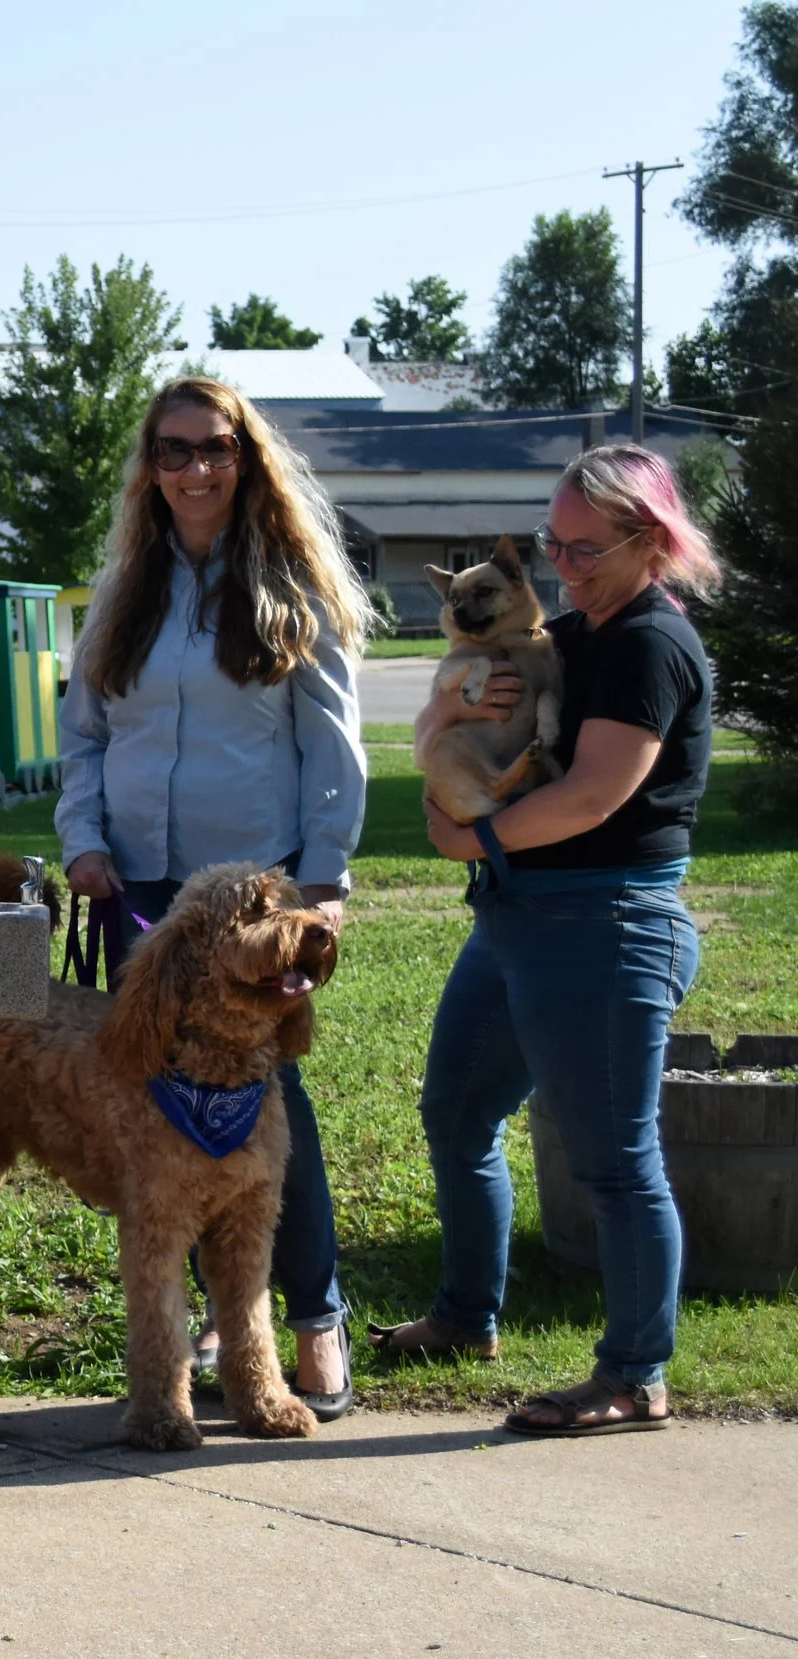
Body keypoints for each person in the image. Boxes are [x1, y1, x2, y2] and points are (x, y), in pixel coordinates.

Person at [370, 443, 718, 1436]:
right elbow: (453, 702)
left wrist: (465, 835)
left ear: (648, 539)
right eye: (554, 545)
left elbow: (594, 793)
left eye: (586, 547)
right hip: (523, 913)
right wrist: (448, 707)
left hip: (605, 922)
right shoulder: (567, 632)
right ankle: (467, 1315)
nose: (565, 564)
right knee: (456, 1111)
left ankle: (633, 1372)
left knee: (612, 1159)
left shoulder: (649, 643)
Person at [56, 375, 370, 1421]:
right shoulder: (122, 590)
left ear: (247, 459)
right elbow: (87, 736)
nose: (196, 469)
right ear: (150, 466)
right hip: (146, 889)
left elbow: (331, 741)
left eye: (216, 448)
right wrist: (84, 840)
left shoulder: (292, 585)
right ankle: (212, 1326)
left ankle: (312, 1315)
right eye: (174, 450)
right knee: (157, 1105)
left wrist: (322, 877)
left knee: (275, 1104)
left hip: (253, 897)